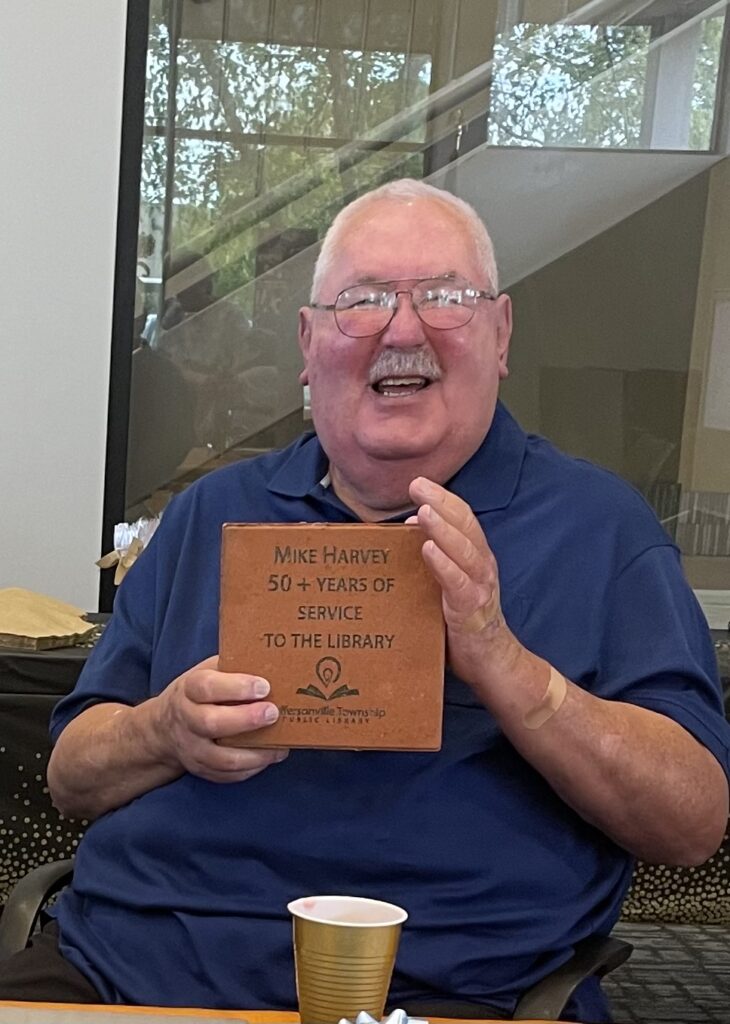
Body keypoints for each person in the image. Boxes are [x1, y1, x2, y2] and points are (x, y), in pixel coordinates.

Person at [1, 180, 728, 1023]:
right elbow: (71, 778)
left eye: (445, 296)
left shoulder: (599, 528)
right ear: (308, 344)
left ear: (501, 334)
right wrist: (165, 731)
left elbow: (691, 823)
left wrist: (505, 664)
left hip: (451, 995)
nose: (403, 330)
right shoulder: (211, 513)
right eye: (363, 301)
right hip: (128, 973)